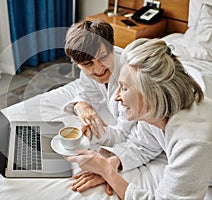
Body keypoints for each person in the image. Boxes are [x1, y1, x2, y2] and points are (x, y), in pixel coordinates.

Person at [65, 38, 212, 199]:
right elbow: (143, 145)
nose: (117, 97)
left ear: (152, 95)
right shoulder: (157, 112)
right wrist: (112, 163)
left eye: (124, 88)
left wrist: (107, 173)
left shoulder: (191, 141)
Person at [63, 20, 166, 194]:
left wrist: (106, 166)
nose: (98, 68)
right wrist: (81, 106)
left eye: (103, 58)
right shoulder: (89, 70)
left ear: (113, 47)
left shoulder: (133, 77)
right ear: (78, 63)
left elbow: (127, 134)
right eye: (88, 64)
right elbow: (84, 92)